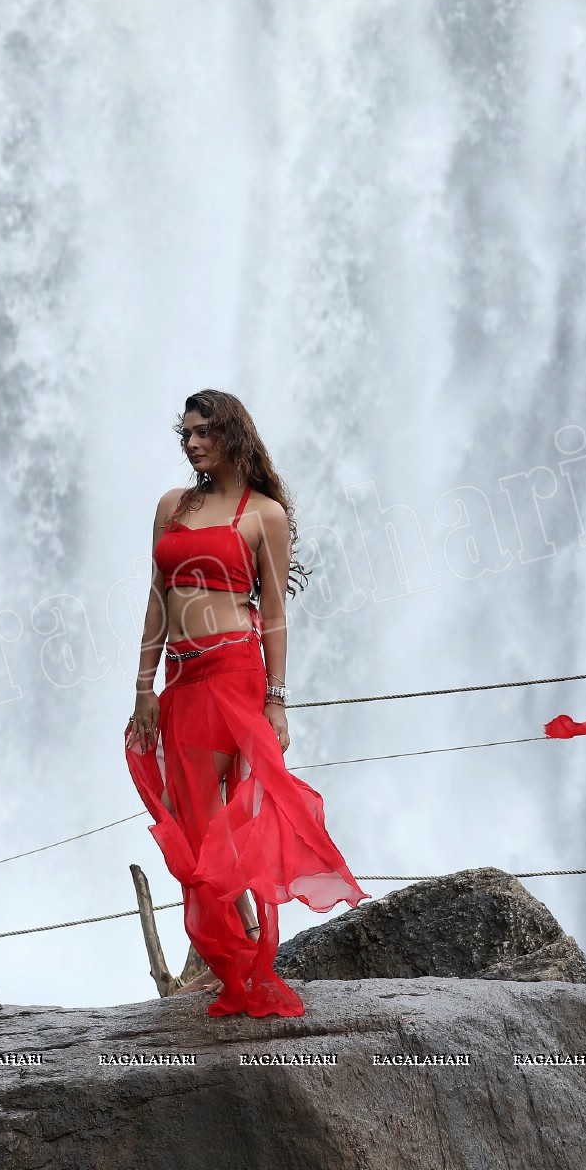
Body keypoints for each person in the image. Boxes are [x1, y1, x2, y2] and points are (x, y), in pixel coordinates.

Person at [123, 389, 366, 1017]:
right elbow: (157, 598)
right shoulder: (171, 507)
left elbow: (276, 614)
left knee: (239, 813)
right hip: (182, 679)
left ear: (233, 435)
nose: (192, 443)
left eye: (203, 432)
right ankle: (229, 954)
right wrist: (144, 686)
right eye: (185, 434)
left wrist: (278, 702)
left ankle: (250, 952)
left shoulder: (264, 515)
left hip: (236, 673)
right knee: (192, 818)